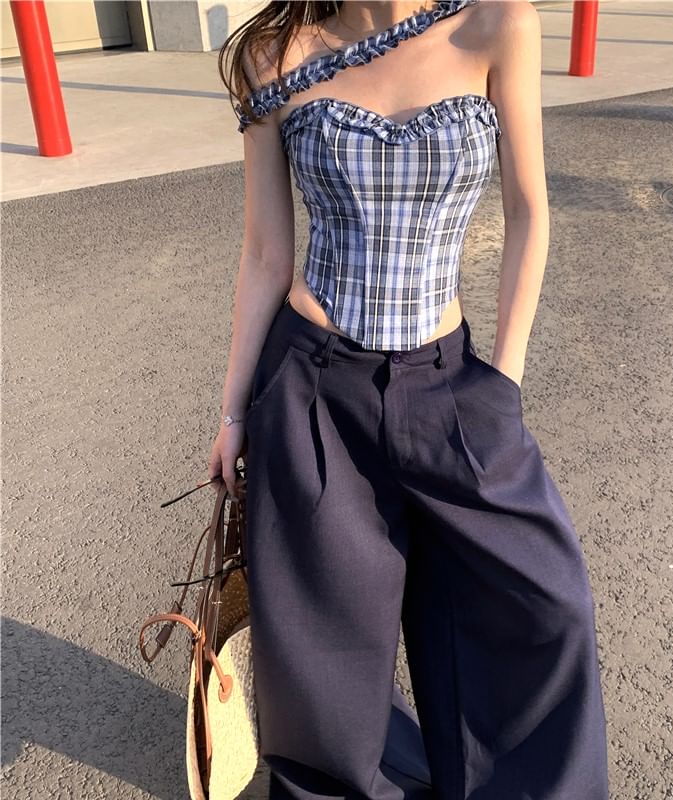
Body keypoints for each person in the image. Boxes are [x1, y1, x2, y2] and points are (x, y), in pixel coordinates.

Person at [211, 1, 609, 798]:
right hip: (313, 390)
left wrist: (503, 385)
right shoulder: (272, 52)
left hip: (450, 383)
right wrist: (232, 413)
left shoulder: (497, 24)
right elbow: (264, 254)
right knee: (325, 652)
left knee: (544, 605)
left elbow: (530, 213)